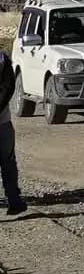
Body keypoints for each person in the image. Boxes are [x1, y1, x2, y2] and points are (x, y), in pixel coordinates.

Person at [0, 47, 26, 217]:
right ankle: (14, 200)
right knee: (8, 162)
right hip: (3, 121)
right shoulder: (4, 60)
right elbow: (9, 88)